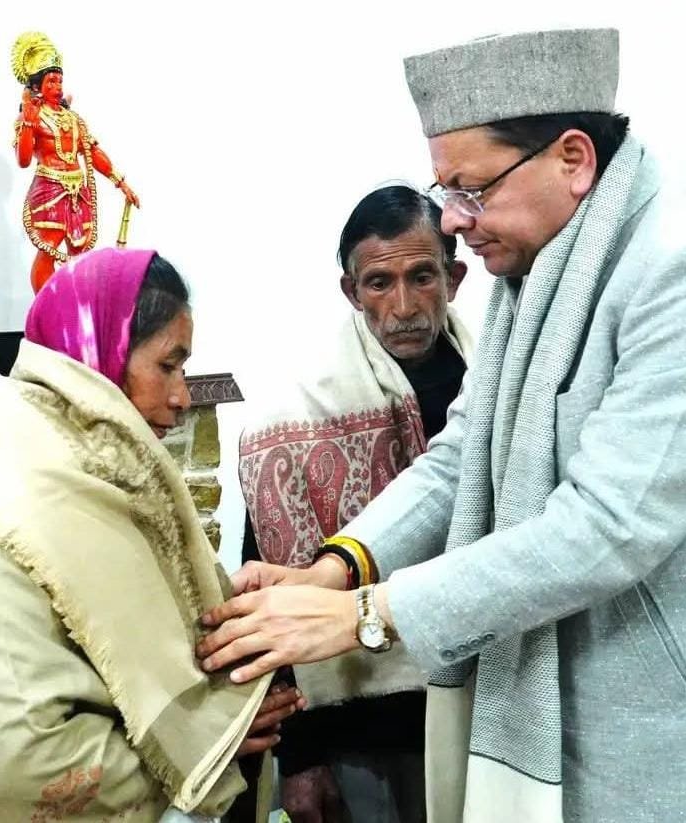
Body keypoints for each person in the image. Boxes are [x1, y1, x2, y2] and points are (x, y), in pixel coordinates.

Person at [197, 28, 686, 822]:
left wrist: (367, 616)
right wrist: (338, 568)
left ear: (573, 159)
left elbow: (603, 528)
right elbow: (461, 456)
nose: (453, 221)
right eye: (446, 190)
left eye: (470, 190)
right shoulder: (535, 277)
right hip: (597, 723)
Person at [0, 248, 304, 822]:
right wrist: (203, 748)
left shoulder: (107, 476)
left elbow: (134, 638)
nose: (182, 397)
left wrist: (228, 601)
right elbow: (22, 765)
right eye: (168, 366)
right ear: (97, 352)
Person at [239, 184, 471, 822]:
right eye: (379, 283)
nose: (404, 306)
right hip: (360, 728)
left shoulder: (494, 385)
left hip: (486, 698)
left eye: (422, 276)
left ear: (453, 278)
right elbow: (272, 596)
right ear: (351, 291)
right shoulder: (294, 423)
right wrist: (301, 758)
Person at [11, 32, 140, 293]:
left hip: (78, 193)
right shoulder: (32, 118)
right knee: (48, 248)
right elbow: (23, 160)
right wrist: (29, 122)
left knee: (80, 252)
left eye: (60, 80)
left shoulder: (73, 119)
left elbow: (92, 151)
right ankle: (45, 306)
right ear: (37, 86)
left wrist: (121, 183)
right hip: (49, 190)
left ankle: (76, 304)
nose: (57, 86)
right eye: (51, 81)